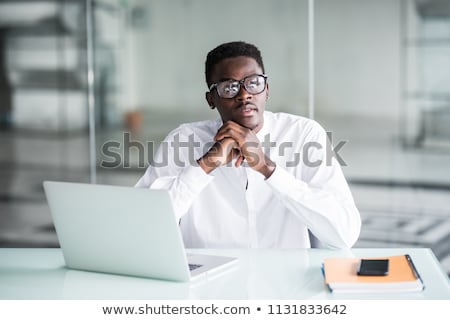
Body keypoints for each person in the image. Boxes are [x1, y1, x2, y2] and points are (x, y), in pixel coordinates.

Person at [136, 41, 361, 249]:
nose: (244, 95)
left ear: (267, 90)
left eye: (253, 83)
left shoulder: (303, 134)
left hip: (285, 285)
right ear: (211, 99)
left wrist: (267, 168)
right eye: (229, 87)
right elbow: (142, 226)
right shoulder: (183, 140)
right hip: (207, 286)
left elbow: (344, 235)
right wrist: (205, 165)